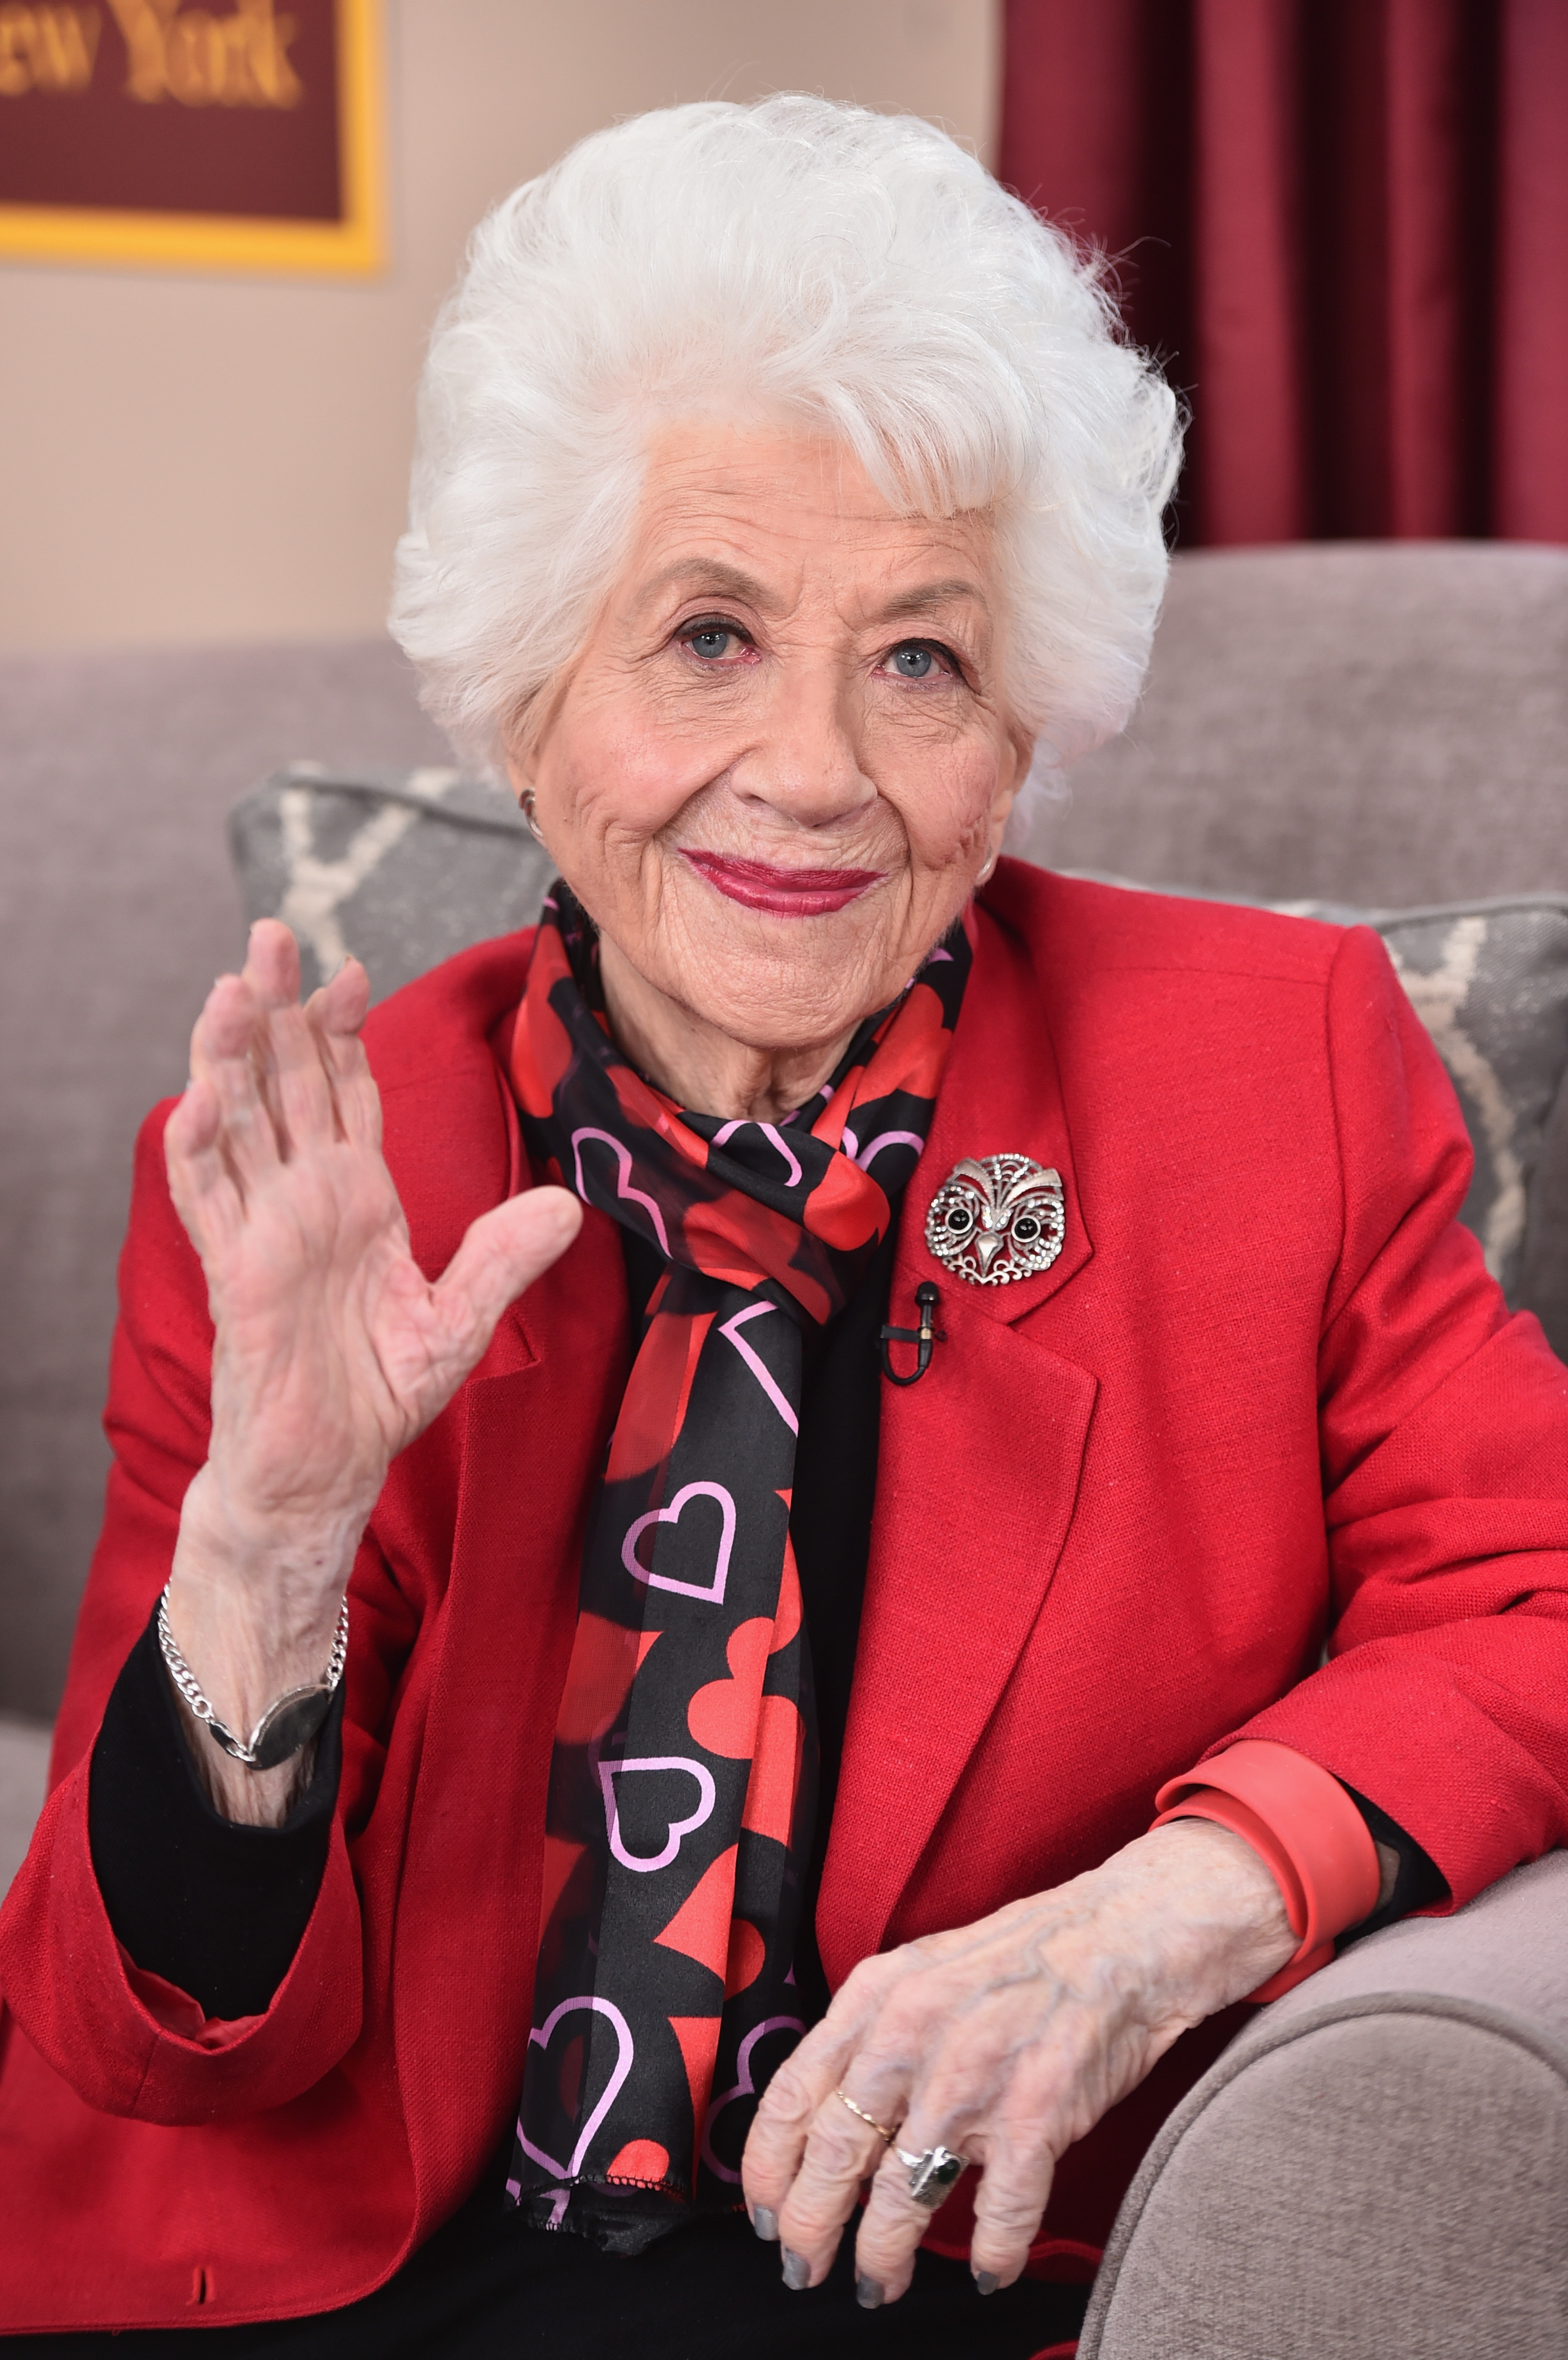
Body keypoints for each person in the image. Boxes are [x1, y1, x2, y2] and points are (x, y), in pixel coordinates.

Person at [2, 95, 1565, 2358]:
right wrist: (270, 1548)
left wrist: (1171, 1909)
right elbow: (151, 2040)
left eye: (920, 659)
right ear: (529, 704)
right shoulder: (336, 1177)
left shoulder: (1272, 1076)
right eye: (709, 635)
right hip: (369, 2279)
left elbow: (1535, 1592)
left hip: (924, 2275)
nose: (820, 769)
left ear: (1021, 728)